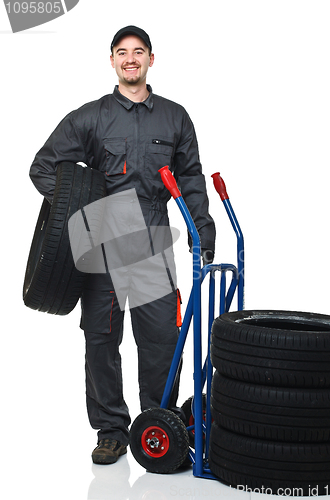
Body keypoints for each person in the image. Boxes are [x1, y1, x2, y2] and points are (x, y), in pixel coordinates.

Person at [29, 26, 216, 464]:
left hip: (152, 240)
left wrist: (200, 232)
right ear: (111, 61)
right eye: (121, 52)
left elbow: (190, 179)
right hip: (102, 245)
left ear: (152, 58)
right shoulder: (91, 117)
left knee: (161, 341)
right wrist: (79, 211)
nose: (130, 59)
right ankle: (111, 430)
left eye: (138, 52)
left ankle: (158, 425)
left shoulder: (175, 117)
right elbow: (43, 167)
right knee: (100, 339)